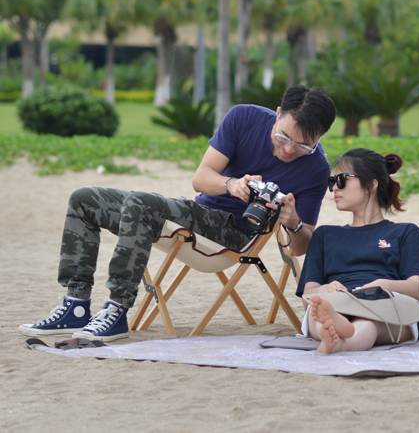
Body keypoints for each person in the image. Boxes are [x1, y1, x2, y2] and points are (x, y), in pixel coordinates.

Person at [19, 85, 336, 342]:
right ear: (277, 114)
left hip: (232, 236)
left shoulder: (316, 169)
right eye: (283, 137)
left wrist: (292, 221)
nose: (290, 149)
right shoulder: (244, 118)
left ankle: (116, 309)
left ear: (319, 138)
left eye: (303, 145)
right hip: (198, 213)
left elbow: (299, 246)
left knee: (142, 204)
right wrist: (231, 185)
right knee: (85, 200)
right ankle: (76, 305)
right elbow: (201, 178)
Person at [299, 148, 419, 353]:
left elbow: (416, 289)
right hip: (337, 302)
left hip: (384, 305)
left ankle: (337, 337)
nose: (335, 188)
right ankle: (335, 329)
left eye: (342, 179)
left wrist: (381, 285)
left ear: (370, 185)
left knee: (369, 321)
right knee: (318, 314)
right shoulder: (324, 235)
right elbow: (308, 294)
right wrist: (324, 290)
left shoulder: (405, 232)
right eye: (332, 181)